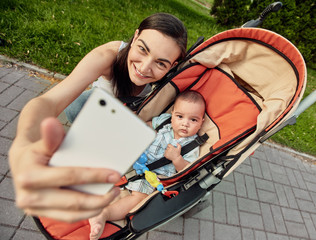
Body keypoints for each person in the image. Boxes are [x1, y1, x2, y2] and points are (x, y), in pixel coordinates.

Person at [8, 13, 187, 223]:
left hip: (134, 128)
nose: (144, 67)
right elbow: (50, 102)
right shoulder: (108, 56)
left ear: (173, 65)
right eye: (142, 49)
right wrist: (24, 140)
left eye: (161, 63)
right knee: (77, 105)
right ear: (135, 36)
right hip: (101, 114)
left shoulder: (176, 80)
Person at [89, 90, 206, 240]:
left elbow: (186, 170)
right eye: (180, 116)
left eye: (193, 120)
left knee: (139, 198)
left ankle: (104, 214)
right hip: (136, 159)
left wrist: (177, 158)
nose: (185, 123)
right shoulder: (164, 120)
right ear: (172, 114)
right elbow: (148, 125)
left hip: (152, 177)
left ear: (202, 121)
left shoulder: (192, 145)